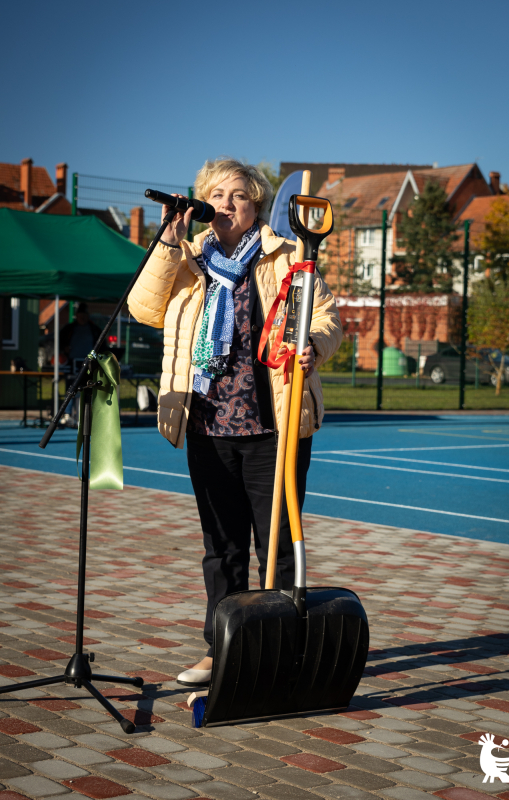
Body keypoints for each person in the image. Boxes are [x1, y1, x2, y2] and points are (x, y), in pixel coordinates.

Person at [128, 158, 342, 686]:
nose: (226, 203)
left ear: (257, 206)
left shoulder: (289, 255)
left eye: (238, 196)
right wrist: (166, 241)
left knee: (278, 544)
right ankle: (221, 647)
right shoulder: (187, 258)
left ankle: (284, 647)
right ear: (202, 203)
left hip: (274, 426)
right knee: (221, 549)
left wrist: (313, 345)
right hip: (206, 426)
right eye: (216, 194)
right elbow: (143, 308)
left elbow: (328, 320)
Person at [59, 303, 102, 426]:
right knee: (71, 388)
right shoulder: (69, 328)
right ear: (76, 316)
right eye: (80, 315)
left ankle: (85, 415)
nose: (82, 317)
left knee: (88, 388)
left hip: (89, 363)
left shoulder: (94, 329)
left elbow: (101, 343)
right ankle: (67, 414)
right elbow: (59, 341)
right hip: (73, 362)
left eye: (84, 315)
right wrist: (64, 349)